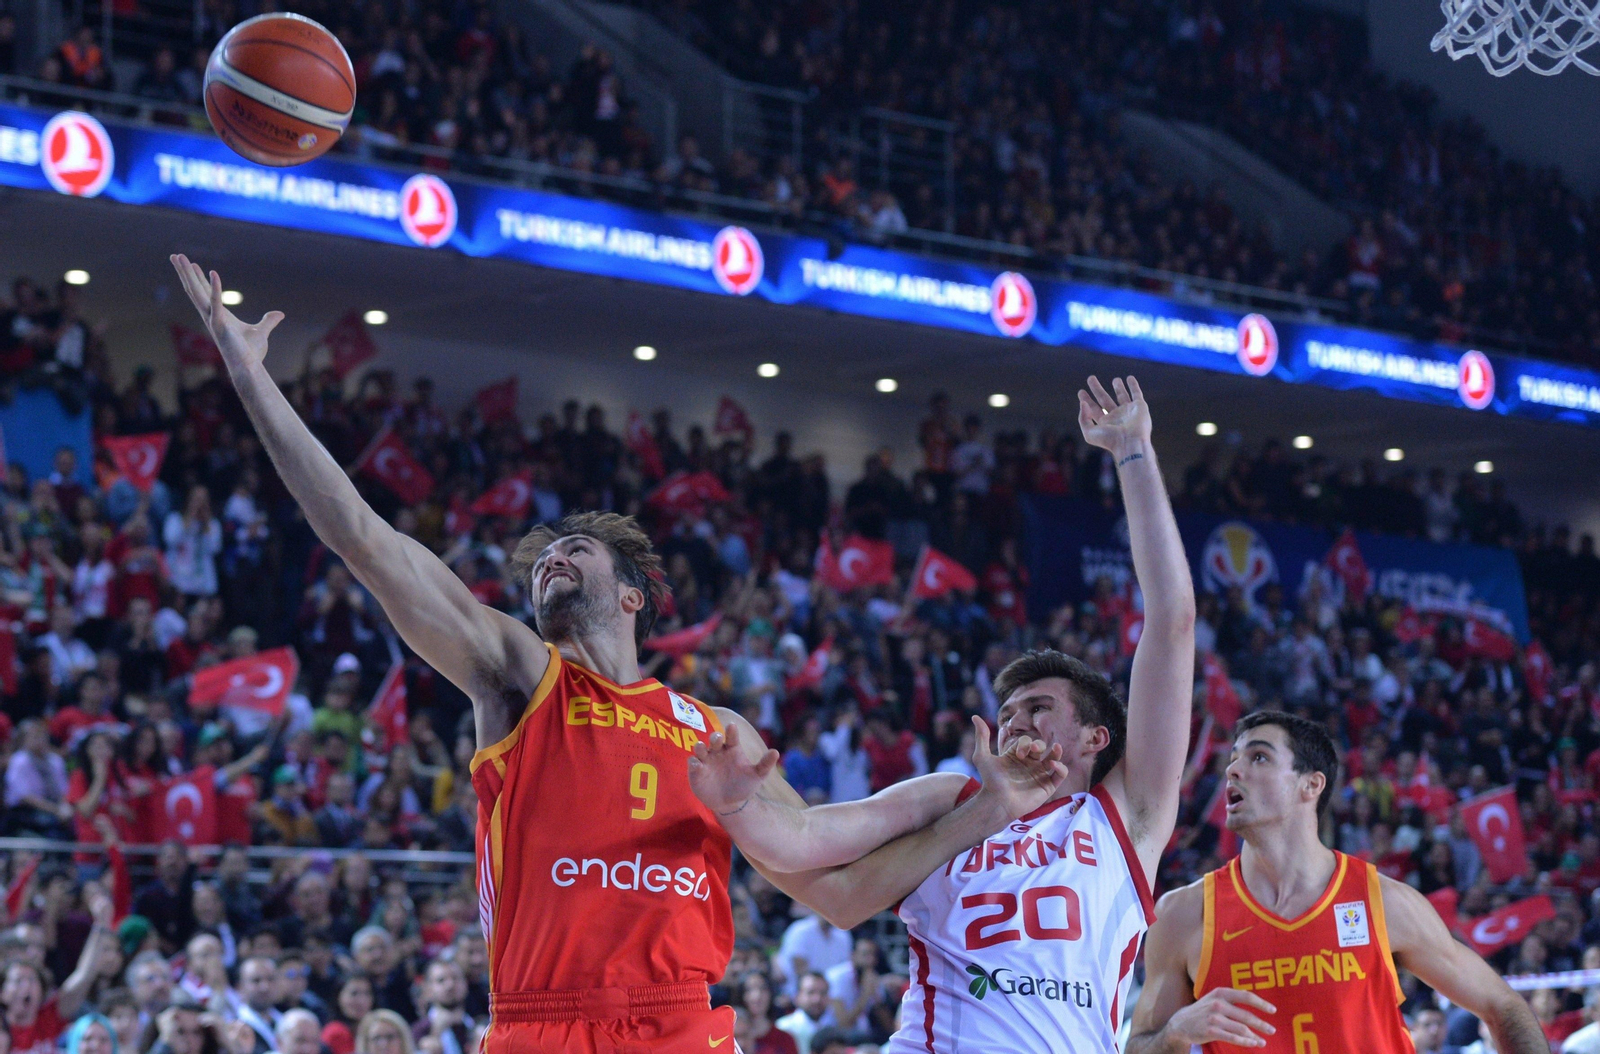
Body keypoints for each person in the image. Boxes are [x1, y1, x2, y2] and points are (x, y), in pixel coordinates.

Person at [168, 257, 1066, 1054]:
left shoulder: (712, 730)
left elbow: (822, 854)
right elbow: (365, 540)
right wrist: (250, 377)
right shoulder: (521, 675)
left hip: (678, 1020)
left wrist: (979, 803)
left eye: (573, 551)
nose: (549, 558)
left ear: (632, 593)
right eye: (540, 560)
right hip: (539, 1018)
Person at [692, 376, 1196, 1053]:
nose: (1015, 722)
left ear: (1095, 738)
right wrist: (736, 804)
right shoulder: (948, 797)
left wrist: (1133, 453)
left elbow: (1171, 624)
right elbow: (805, 842)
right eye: (1008, 710)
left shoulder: (1125, 819)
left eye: (1039, 709)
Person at [1126, 711, 1546, 1054]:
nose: (1233, 769)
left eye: (1258, 757)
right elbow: (1140, 1046)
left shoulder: (1383, 901)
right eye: (1233, 758)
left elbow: (1504, 1007)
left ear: (1311, 784)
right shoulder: (1184, 914)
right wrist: (1177, 1031)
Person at [2, 884, 115, 1054]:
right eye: (18, 981)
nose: (26, 987)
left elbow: (84, 975)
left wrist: (101, 924)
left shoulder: (49, 1017)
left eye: (32, 980)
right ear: (2, 992)